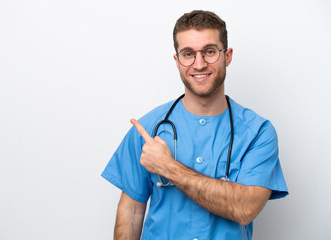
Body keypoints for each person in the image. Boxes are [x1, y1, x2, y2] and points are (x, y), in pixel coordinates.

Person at [101, 10, 288, 240]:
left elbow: (245, 209)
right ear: (177, 60)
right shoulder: (148, 128)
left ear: (227, 56)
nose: (199, 64)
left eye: (209, 52)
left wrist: (168, 167)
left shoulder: (257, 133)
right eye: (188, 54)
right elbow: (131, 211)